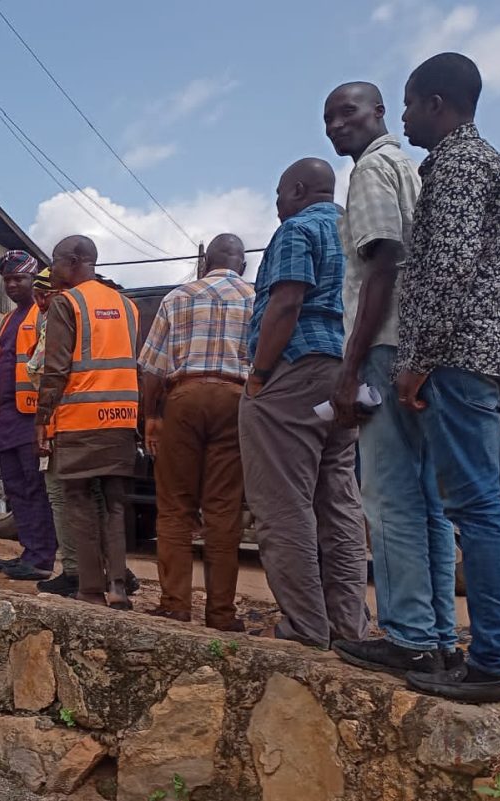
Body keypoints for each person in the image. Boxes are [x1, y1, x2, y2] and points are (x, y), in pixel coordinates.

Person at [394, 54, 500, 703]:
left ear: (437, 102)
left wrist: (416, 361)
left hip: (463, 358)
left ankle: (494, 659)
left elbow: (445, 271)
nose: (404, 115)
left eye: (410, 102)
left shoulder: (458, 165)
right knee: (499, 504)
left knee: (474, 505)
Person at [320, 81, 458, 676]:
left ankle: (408, 636)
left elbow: (383, 263)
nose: (335, 125)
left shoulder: (372, 172)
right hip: (419, 348)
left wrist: (350, 367)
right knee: (427, 500)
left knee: (389, 497)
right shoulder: (410, 169)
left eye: (346, 112)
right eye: (327, 118)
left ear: (378, 113)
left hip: (384, 347)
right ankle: (439, 637)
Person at [238, 158, 369, 649]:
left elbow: (287, 301)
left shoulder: (297, 229)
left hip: (295, 371)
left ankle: (305, 628)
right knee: (338, 502)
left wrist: (260, 376)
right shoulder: (357, 229)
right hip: (347, 373)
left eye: (277, 193)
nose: (276, 204)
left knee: (282, 504)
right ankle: (348, 629)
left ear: (296, 189)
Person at [139, 234, 254, 631]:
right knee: (224, 510)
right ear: (243, 264)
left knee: (175, 506)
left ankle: (175, 606)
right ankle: (222, 614)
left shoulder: (177, 297)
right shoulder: (256, 298)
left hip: (184, 398)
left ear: (206, 262)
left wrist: (151, 416)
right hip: (237, 400)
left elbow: (152, 368)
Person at [36, 235, 138, 608]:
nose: (54, 270)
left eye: (57, 261)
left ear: (76, 261)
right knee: (114, 502)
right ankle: (119, 587)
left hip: (80, 418)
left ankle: (91, 590)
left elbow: (56, 368)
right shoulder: (128, 306)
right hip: (123, 418)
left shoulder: (67, 304)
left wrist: (43, 420)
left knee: (78, 499)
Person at [0, 251, 58, 580]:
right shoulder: (7, 319)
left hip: (33, 417)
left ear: (34, 280)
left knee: (35, 486)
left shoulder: (45, 315)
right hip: (8, 417)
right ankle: (29, 553)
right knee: (14, 486)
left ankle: (42, 557)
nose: (12, 285)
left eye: (19, 279)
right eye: (7, 280)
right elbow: (1, 371)